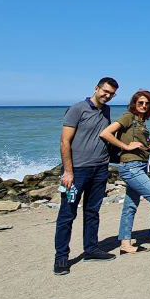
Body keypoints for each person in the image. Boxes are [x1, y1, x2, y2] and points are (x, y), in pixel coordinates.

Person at [54, 77, 119, 275]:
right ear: (96, 88)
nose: (107, 96)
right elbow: (65, 141)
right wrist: (68, 171)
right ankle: (61, 257)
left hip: (100, 169)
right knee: (67, 213)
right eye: (105, 91)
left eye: (111, 94)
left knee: (93, 211)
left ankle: (91, 249)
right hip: (78, 172)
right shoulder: (77, 109)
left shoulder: (106, 110)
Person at [100, 90, 150, 254]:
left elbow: (133, 139)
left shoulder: (141, 121)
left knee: (130, 206)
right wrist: (126, 147)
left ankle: (125, 243)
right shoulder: (128, 117)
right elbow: (105, 133)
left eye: (146, 103)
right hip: (131, 167)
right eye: (140, 103)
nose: (143, 106)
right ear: (134, 104)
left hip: (140, 166)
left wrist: (146, 144)